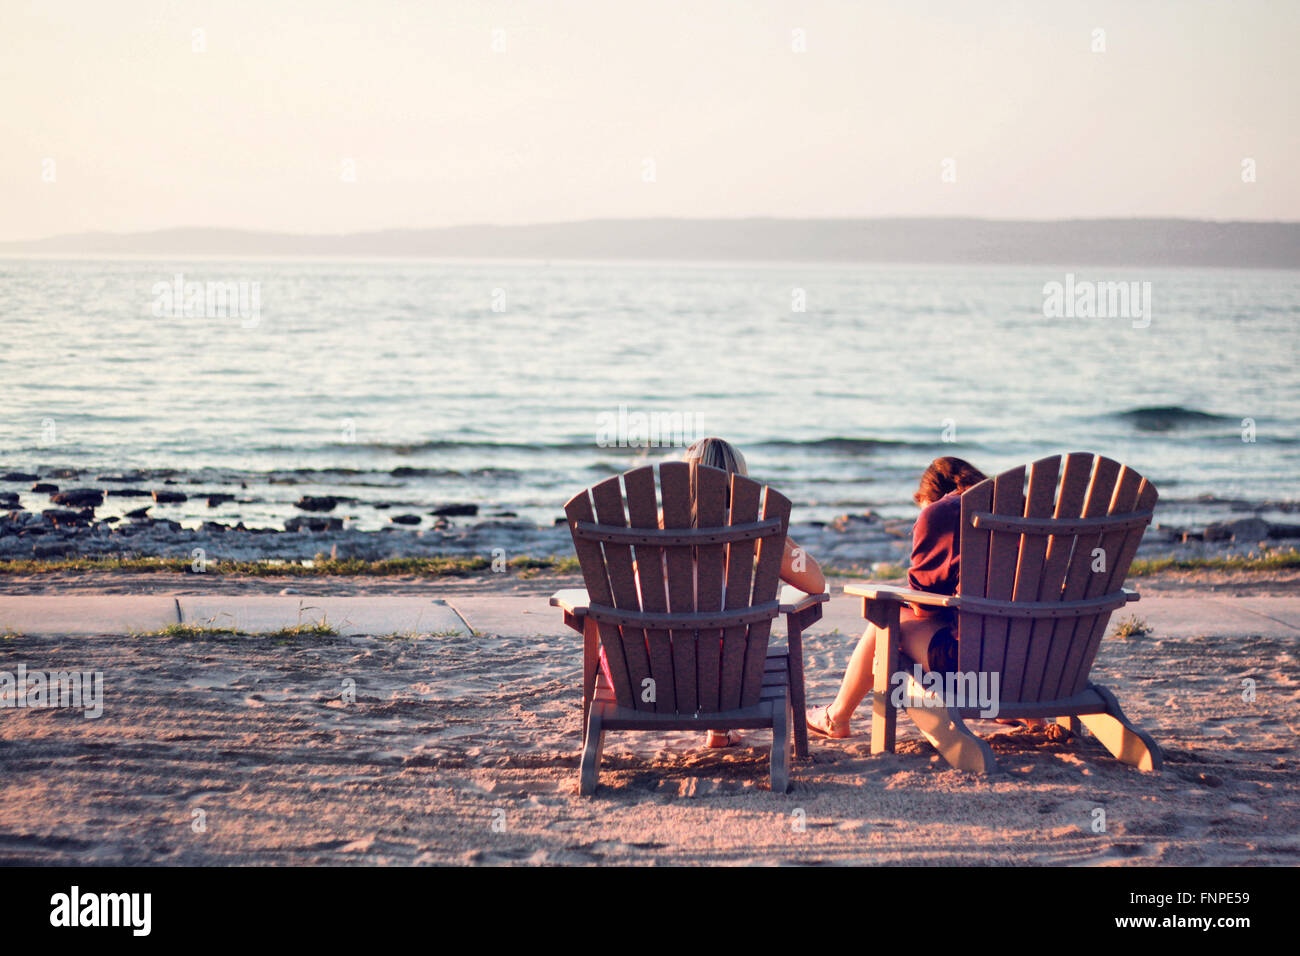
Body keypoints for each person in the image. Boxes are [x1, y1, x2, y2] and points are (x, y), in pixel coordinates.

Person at [598, 437, 827, 748]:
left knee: (680, 638)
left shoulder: (651, 527)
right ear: (739, 482)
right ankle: (720, 728)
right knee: (722, 644)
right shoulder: (748, 532)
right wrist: (772, 531)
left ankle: (720, 732)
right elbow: (816, 583)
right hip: (718, 681)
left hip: (636, 675)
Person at [805, 457, 986, 738]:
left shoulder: (943, 513)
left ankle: (836, 716)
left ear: (931, 497)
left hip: (972, 662)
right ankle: (1029, 717)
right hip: (1042, 657)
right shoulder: (1019, 512)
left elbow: (924, 607)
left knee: (884, 622)